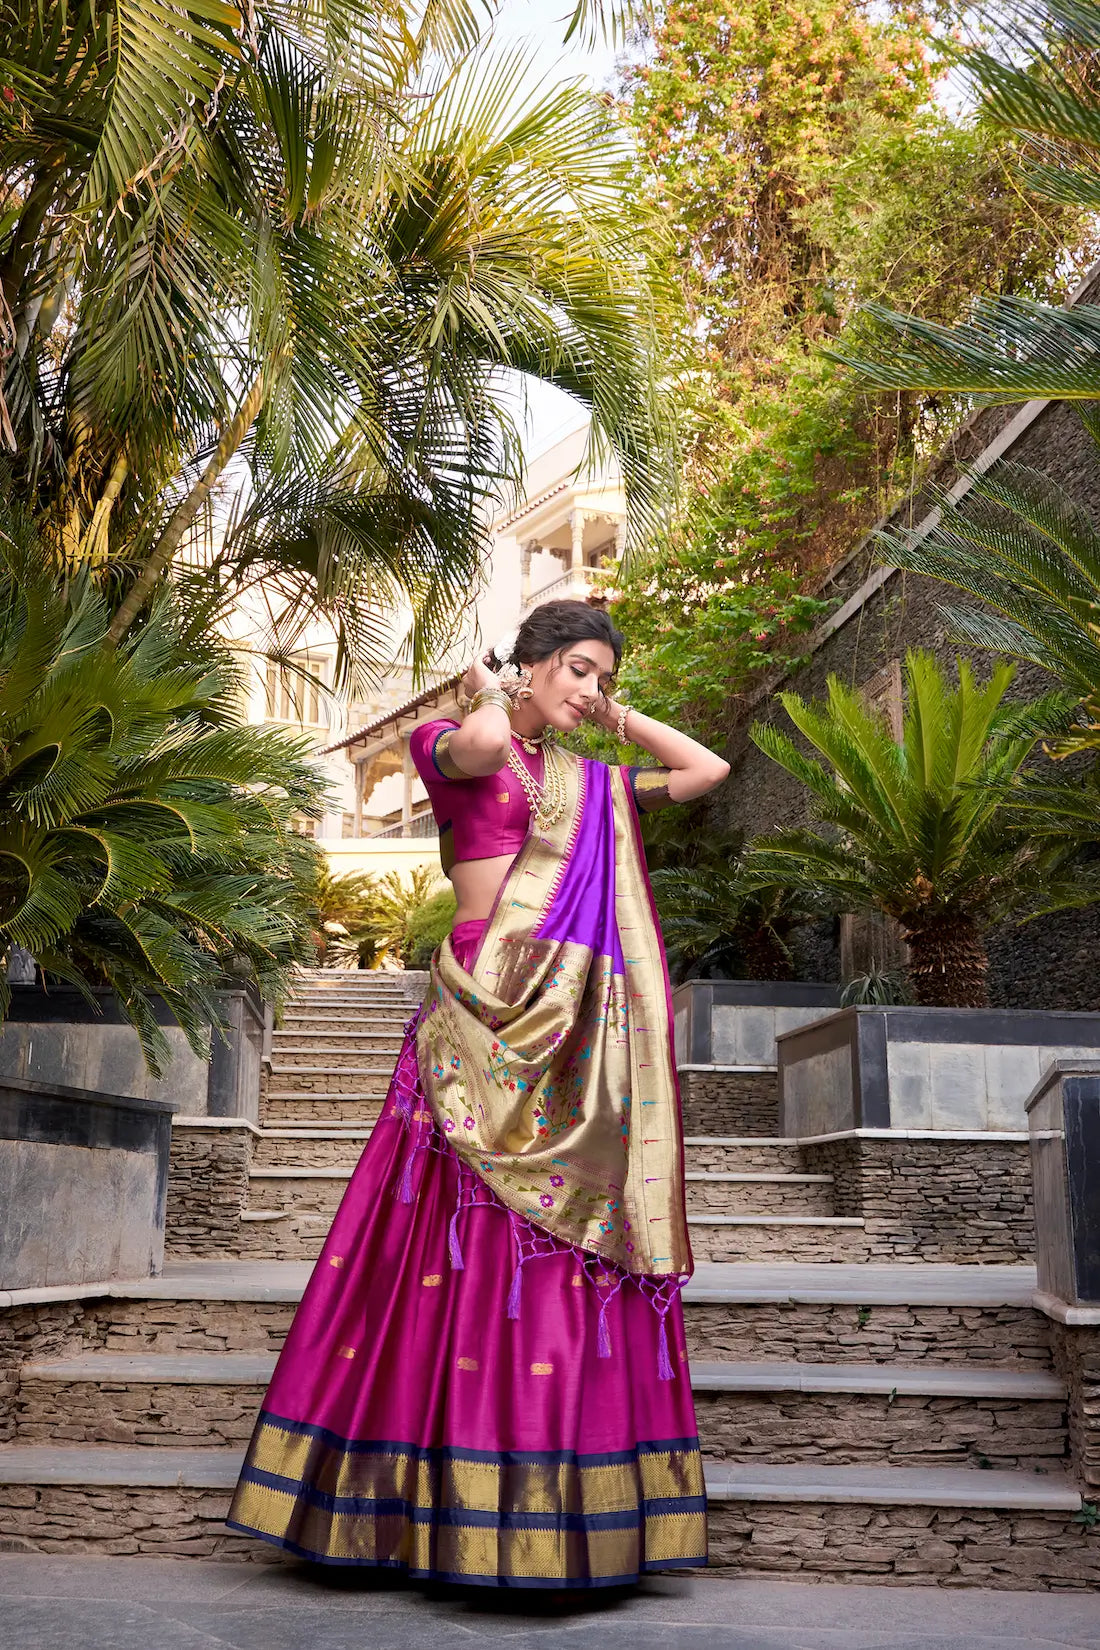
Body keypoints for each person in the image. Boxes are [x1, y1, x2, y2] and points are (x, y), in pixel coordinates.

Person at [227, 599, 730, 1588]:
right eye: (577, 668)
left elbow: (703, 770)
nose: (590, 688)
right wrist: (489, 691)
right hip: (476, 1011)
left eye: (602, 675)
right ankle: (410, 1498)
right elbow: (487, 743)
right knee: (442, 1234)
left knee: (557, 1239)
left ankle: (544, 1478)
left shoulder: (590, 782)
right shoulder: (448, 742)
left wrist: (611, 714)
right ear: (529, 662)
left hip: (568, 1027)